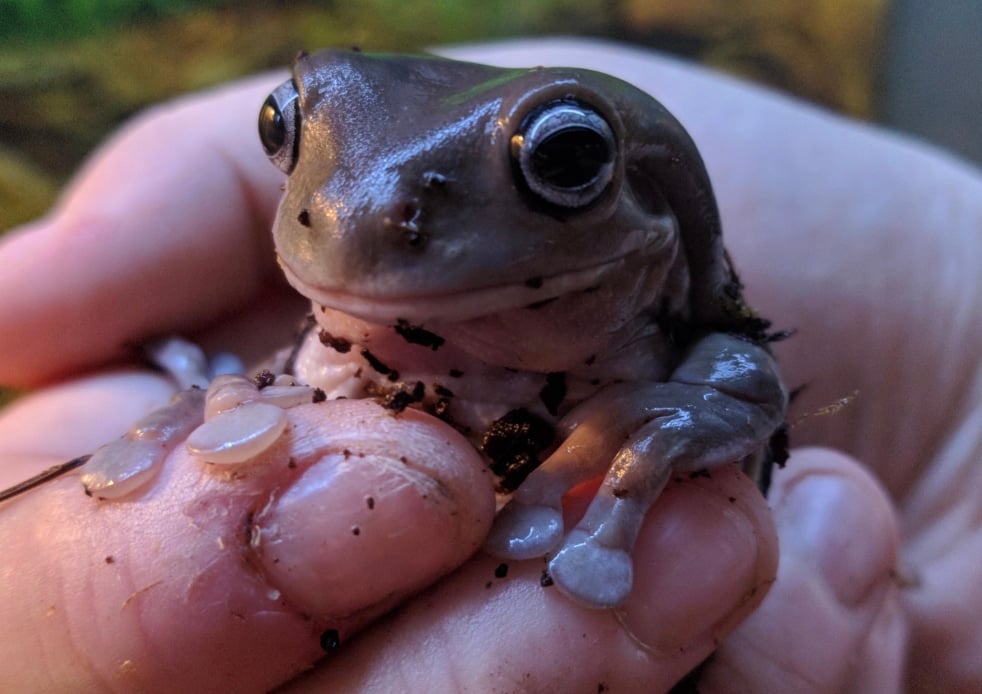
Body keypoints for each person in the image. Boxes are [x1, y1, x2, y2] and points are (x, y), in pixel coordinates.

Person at [0, 39, 979, 692]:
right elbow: (293, 369)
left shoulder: (676, 325)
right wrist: (221, 395)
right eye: (287, 131)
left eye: (562, 160)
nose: (363, 210)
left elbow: (742, 378)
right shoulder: (331, 313)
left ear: (647, 204)